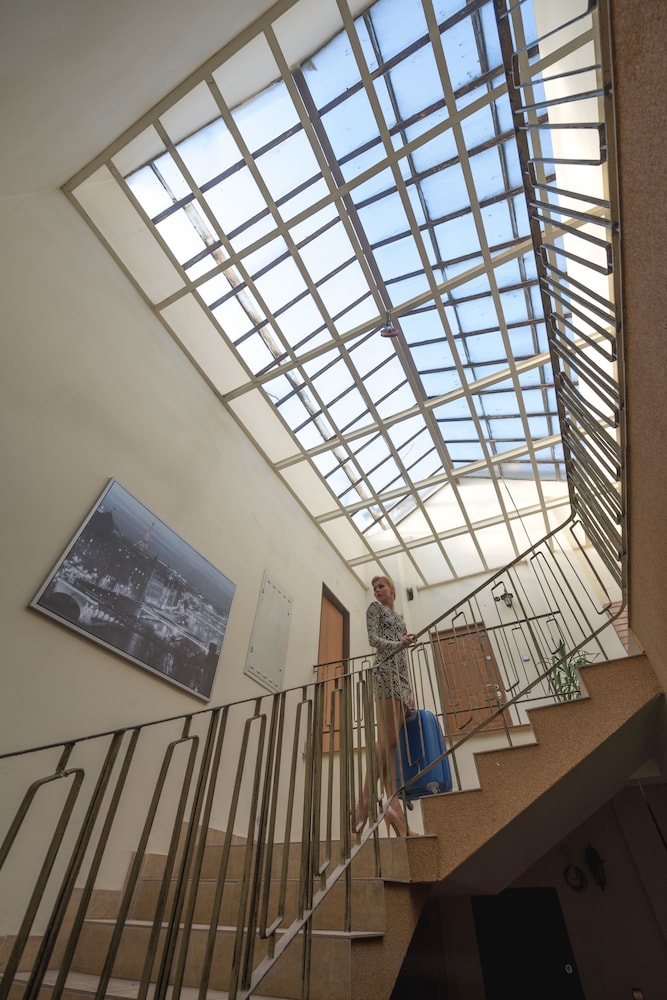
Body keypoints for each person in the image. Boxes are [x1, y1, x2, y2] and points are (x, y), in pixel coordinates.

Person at [352, 575, 418, 839]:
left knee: (391, 743)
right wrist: (398, 644)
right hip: (384, 673)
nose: (377, 591)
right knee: (387, 739)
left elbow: (403, 654)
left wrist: (409, 689)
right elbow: (373, 639)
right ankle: (374, 802)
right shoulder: (374, 609)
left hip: (401, 679)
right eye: (374, 588)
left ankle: (383, 805)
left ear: (392, 589)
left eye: (381, 586)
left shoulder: (400, 618)